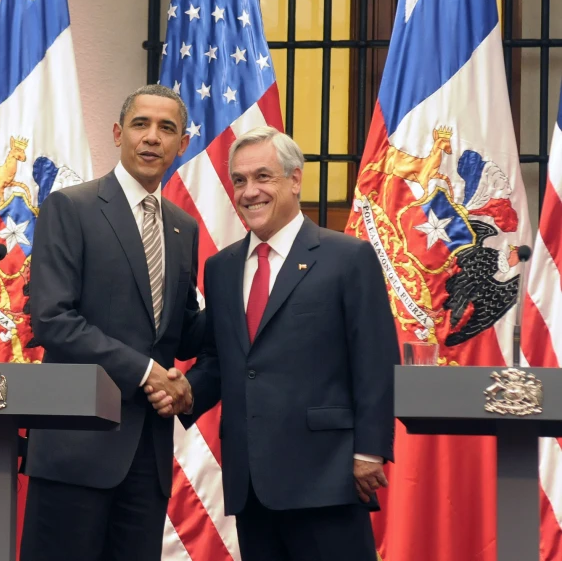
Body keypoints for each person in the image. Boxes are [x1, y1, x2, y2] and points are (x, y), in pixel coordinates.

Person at [146, 127, 400, 561]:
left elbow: (376, 361)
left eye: (263, 177)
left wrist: (369, 451)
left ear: (295, 180)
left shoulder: (347, 258)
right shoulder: (221, 268)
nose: (250, 192)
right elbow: (223, 359)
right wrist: (187, 394)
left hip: (329, 476)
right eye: (240, 181)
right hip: (251, 483)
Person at [20, 85, 202, 561]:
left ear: (182, 145)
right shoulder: (71, 207)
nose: (152, 138)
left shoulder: (184, 227)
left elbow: (179, 327)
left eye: (167, 129)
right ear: (119, 133)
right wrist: (146, 372)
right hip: (77, 447)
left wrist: (247, 305)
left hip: (148, 454)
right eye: (141, 125)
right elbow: (52, 318)